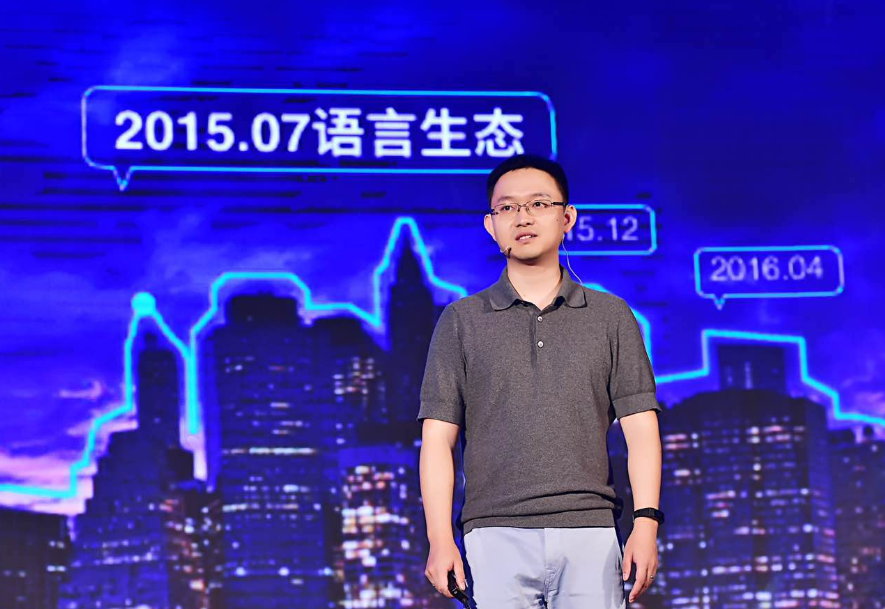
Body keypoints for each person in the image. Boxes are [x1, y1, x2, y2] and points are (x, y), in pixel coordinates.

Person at [418, 154, 663, 608]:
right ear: (491, 225)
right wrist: (439, 538)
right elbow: (437, 439)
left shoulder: (611, 316)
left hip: (590, 529)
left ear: (567, 217)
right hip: (493, 533)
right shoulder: (461, 321)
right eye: (507, 208)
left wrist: (646, 524)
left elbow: (641, 428)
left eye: (538, 204)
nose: (523, 217)